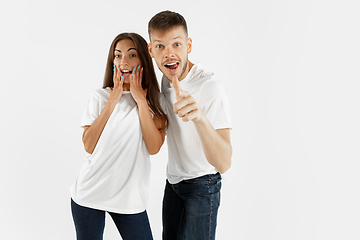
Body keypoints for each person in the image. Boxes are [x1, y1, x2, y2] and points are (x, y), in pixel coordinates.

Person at [70, 32, 167, 240]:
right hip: (90, 193)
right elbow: (88, 145)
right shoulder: (100, 97)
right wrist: (112, 101)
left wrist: (141, 101)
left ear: (143, 58)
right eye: (118, 55)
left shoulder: (154, 102)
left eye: (132, 55)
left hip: (129, 199)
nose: (124, 61)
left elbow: (153, 148)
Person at [147, 11, 233, 240]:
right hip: (173, 183)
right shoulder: (164, 79)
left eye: (176, 44)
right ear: (151, 50)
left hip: (203, 184)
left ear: (189, 45)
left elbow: (224, 163)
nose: (169, 54)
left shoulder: (210, 87)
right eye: (160, 46)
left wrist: (199, 118)